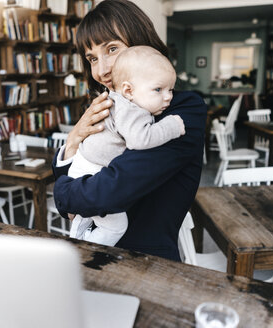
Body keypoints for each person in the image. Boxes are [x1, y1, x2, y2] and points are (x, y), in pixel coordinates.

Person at [52, 0, 207, 261]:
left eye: (112, 49)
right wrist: (73, 139)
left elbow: (112, 190)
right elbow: (82, 170)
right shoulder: (110, 107)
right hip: (91, 254)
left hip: (145, 263)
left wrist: (61, 192)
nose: (101, 70)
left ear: (142, 43)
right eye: (92, 58)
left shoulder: (181, 110)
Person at [69, 45, 185, 246]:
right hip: (92, 170)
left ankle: (78, 232)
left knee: (89, 214)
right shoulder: (131, 108)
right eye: (158, 89)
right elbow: (141, 139)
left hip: (83, 166)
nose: (168, 97)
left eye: (170, 90)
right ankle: (87, 251)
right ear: (129, 90)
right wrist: (172, 126)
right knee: (116, 226)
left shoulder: (118, 100)